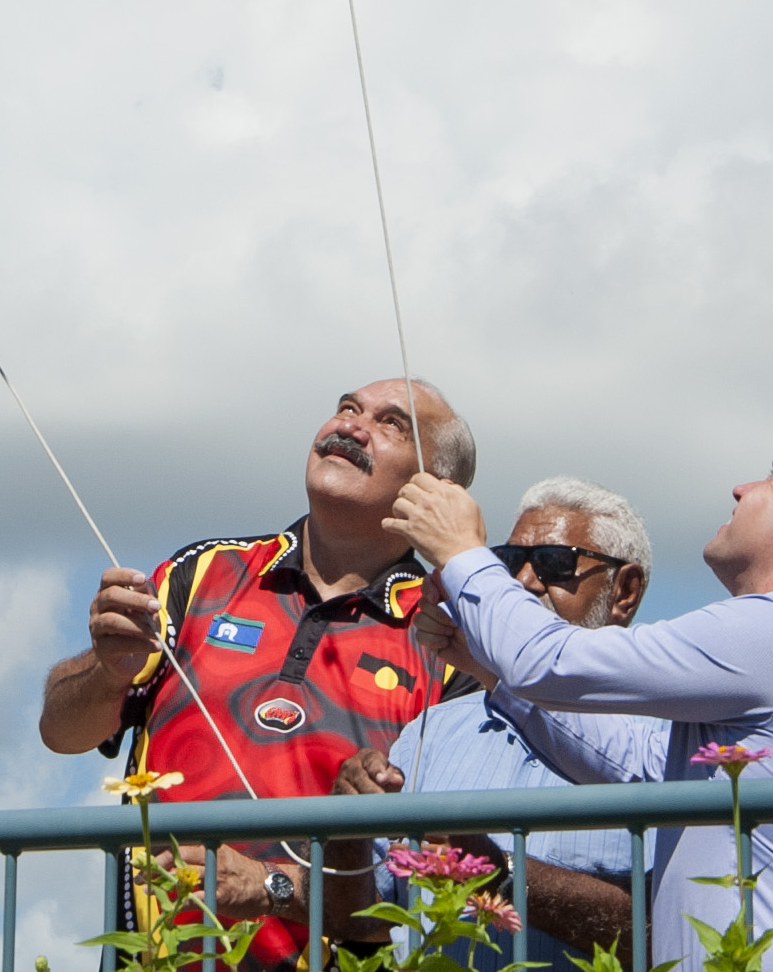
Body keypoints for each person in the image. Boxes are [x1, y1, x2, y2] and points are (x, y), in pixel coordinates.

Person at [387, 430, 773, 972]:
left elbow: (552, 661)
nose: (741, 489)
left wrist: (461, 552)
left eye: (772, 477)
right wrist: (489, 666)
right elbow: (640, 767)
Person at [38, 379, 477, 970]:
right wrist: (106, 670)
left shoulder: (448, 639)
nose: (350, 426)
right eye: (346, 407)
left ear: (437, 490)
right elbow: (62, 733)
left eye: (391, 423)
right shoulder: (201, 574)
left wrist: (270, 885)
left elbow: (443, 871)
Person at [325, 476, 658, 972]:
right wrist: (346, 825)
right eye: (507, 562)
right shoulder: (431, 730)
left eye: (553, 562)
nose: (523, 581)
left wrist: (497, 872)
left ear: (624, 592)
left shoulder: (669, 727)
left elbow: (671, 929)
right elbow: (359, 922)